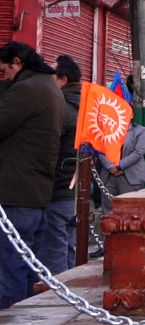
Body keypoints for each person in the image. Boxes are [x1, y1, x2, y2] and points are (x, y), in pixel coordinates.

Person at [0, 42, 65, 309]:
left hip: (16, 191)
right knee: (27, 265)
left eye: (5, 72)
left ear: (18, 62)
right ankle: (24, 324)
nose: (5, 78)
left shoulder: (27, 89)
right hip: (36, 191)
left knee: (9, 267)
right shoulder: (49, 87)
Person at [35, 55, 82, 274]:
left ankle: (56, 298)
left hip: (59, 188)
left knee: (53, 253)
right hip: (77, 190)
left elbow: (46, 147)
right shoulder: (85, 107)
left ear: (62, 79)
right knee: (68, 249)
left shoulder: (60, 108)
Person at [95, 119, 145, 214]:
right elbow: (100, 149)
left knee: (129, 212)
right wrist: (110, 166)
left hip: (130, 175)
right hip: (108, 175)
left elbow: (138, 152)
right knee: (108, 212)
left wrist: (119, 166)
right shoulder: (105, 130)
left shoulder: (141, 131)